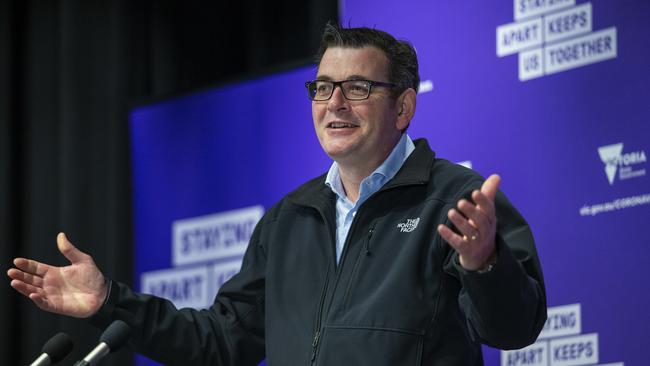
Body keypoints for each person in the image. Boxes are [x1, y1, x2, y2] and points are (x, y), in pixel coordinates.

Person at [7, 24, 546, 365]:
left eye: (358, 88)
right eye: (323, 87)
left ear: (403, 107)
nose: (335, 103)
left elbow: (515, 329)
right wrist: (109, 301)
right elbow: (221, 342)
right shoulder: (291, 217)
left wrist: (484, 265)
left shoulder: (458, 200)